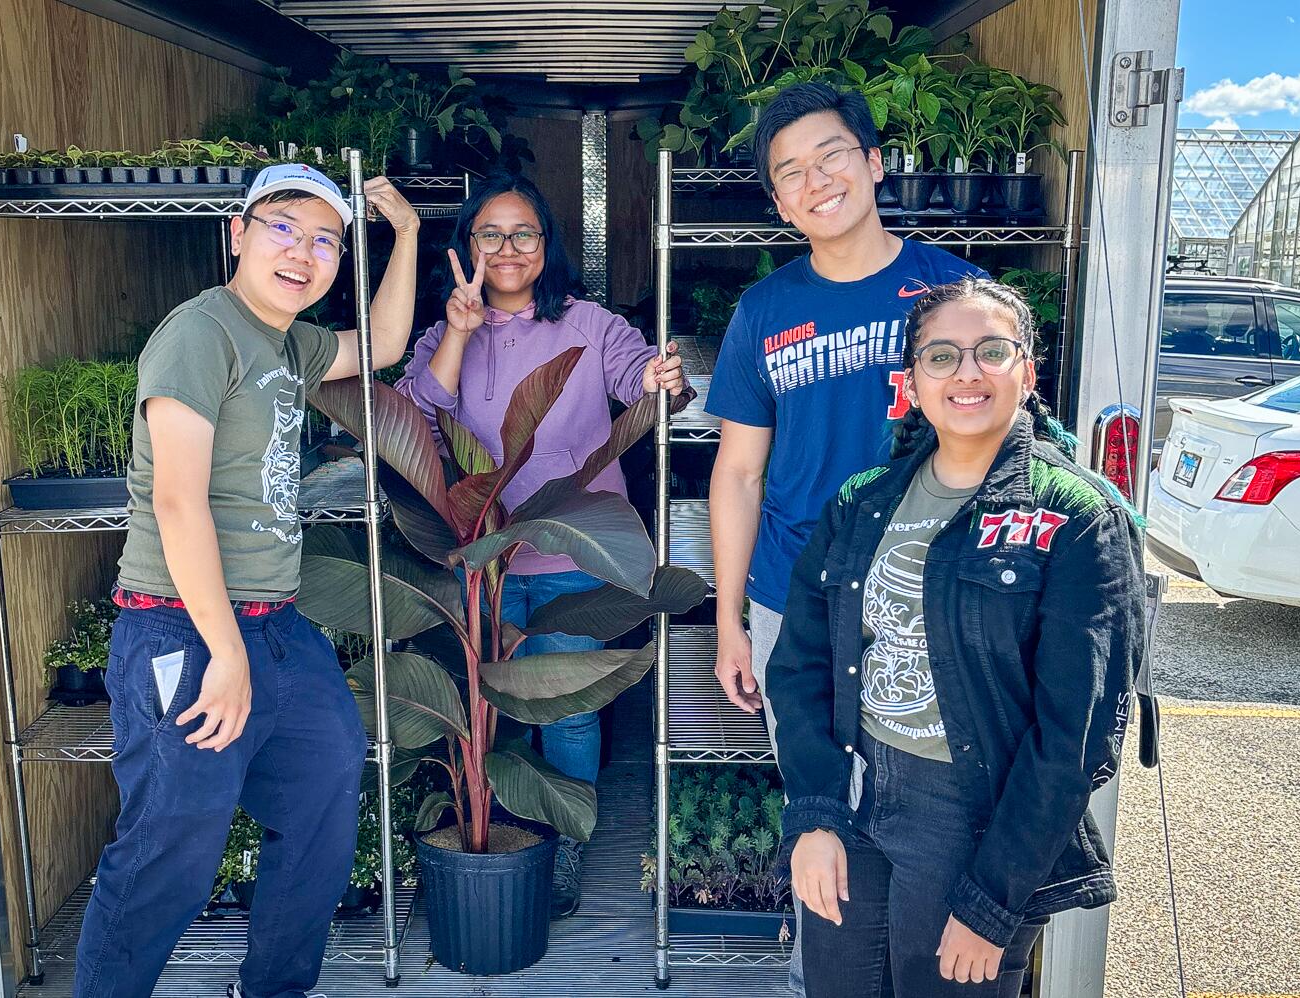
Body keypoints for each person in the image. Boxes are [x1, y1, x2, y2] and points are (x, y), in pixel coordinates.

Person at [73, 164, 421, 998]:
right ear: (238, 232)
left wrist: (405, 235)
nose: (303, 253)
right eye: (283, 229)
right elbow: (176, 501)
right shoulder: (203, 332)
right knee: (170, 852)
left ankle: (273, 986)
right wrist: (224, 654)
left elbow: (381, 345)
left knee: (325, 795)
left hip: (277, 629)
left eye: (326, 241)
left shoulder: (286, 342)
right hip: (185, 629)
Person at [766, 277, 1146, 997]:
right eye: (941, 356)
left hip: (973, 826)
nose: (967, 372)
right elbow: (801, 665)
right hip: (855, 795)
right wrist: (813, 815)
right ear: (910, 382)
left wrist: (993, 902)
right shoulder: (864, 501)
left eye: (991, 351)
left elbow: (1075, 737)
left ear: (1027, 373)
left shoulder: (1075, 517)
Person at [704, 81, 987, 993]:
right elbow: (739, 474)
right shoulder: (763, 311)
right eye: (790, 173)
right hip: (800, 604)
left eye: (832, 156)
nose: (814, 181)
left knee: (935, 811)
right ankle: (815, 980)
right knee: (819, 815)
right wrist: (729, 622)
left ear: (873, 163)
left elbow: (999, 446)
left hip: (926, 600)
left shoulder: (948, 290)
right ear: (779, 203)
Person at [395, 172, 689, 919]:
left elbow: (641, 378)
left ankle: (570, 844)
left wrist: (664, 379)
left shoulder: (589, 324)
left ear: (546, 245)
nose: (507, 248)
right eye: (489, 234)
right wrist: (458, 333)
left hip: (574, 552)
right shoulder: (443, 333)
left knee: (567, 708)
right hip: (481, 561)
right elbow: (410, 422)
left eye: (524, 233)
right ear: (466, 247)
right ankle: (507, 828)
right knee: (490, 708)